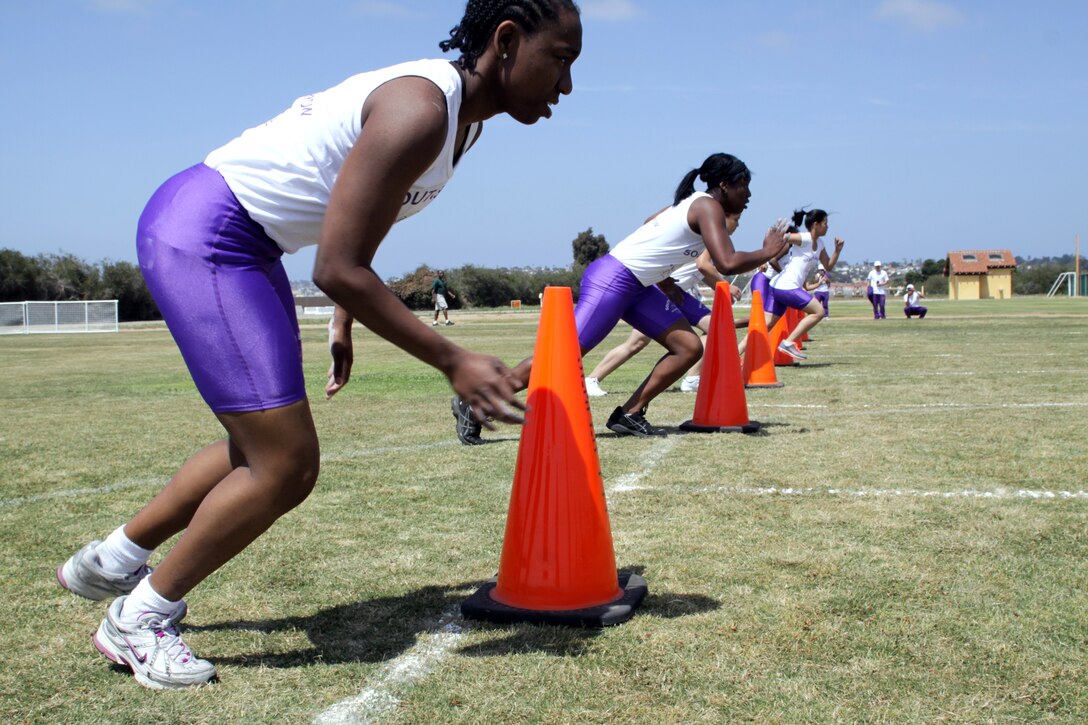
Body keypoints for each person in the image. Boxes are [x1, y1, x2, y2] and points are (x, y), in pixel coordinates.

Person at [55, 0, 582, 690]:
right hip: (210, 233)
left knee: (258, 448)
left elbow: (356, 235)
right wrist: (450, 357)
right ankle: (140, 617)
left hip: (248, 244)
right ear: (507, 40)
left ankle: (114, 557)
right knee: (288, 464)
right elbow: (336, 265)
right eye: (561, 60)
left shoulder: (461, 124)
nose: (566, 87)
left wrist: (344, 318)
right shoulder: (421, 108)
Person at [454, 153, 789, 442]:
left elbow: (651, 225)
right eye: (745, 185)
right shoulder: (708, 206)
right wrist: (767, 251)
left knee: (688, 347)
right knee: (563, 353)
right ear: (726, 185)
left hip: (638, 286)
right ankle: (477, 404)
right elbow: (727, 262)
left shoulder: (696, 205)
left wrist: (662, 272)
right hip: (614, 279)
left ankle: (630, 413)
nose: (748, 195)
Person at [584, 212, 747, 397]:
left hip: (678, 294)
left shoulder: (716, 241)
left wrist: (720, 289)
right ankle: (592, 379)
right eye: (736, 220)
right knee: (636, 343)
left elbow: (702, 271)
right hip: (661, 291)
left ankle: (693, 378)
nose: (738, 225)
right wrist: (724, 286)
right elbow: (703, 265)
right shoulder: (710, 237)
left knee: (717, 326)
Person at [764, 209, 844, 361]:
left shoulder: (819, 244)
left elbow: (828, 266)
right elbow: (785, 237)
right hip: (787, 287)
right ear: (816, 224)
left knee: (765, 326)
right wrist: (775, 233)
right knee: (819, 312)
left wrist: (837, 251)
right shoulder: (805, 238)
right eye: (825, 223)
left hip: (779, 286)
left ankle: (735, 353)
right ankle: (788, 343)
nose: (828, 227)